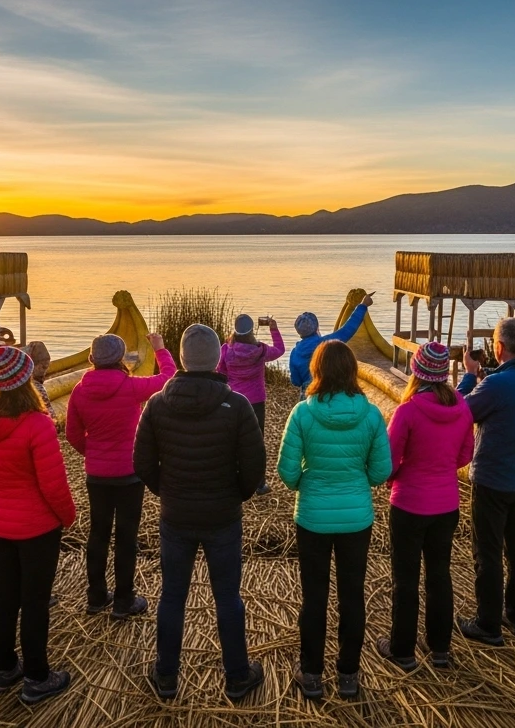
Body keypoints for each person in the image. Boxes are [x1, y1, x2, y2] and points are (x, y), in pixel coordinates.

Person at [135, 324, 266, 703]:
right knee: (228, 597)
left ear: (184, 358)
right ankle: (237, 676)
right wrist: (235, 495)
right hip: (222, 516)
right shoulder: (237, 404)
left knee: (172, 596)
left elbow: (142, 461)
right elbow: (254, 466)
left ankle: (166, 676)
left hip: (176, 516)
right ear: (215, 359)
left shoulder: (158, 403)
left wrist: (167, 490)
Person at [277, 340, 391, 700]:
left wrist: (305, 483)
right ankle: (348, 675)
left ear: (317, 370)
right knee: (352, 597)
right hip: (356, 519)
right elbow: (381, 472)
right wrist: (359, 481)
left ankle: (311, 674)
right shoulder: (371, 415)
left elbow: (287, 471)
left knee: (314, 598)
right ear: (352, 371)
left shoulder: (302, 414)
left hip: (312, 518)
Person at [0, 346, 77, 704]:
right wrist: (68, 516)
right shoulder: (37, 423)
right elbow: (53, 483)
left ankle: (3, 669)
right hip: (37, 528)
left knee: (5, 598)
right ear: (26, 378)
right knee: (34, 602)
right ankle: (37, 677)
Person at [376, 342, 474, 671]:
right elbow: (465, 456)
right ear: (444, 374)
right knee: (439, 576)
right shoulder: (461, 406)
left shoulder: (408, 411)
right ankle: (440, 649)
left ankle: (402, 650)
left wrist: (402, 475)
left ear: (416, 373)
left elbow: (388, 464)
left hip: (409, 504)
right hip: (446, 505)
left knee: (405, 580)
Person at [454, 318, 515, 646]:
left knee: (488, 552)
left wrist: (469, 377)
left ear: (498, 347)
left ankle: (488, 624)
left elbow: (462, 414)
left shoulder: (495, 386)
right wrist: (485, 377)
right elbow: (506, 392)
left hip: (493, 480)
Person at [66, 332, 175, 618]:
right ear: (120, 359)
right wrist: (160, 349)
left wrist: (93, 453)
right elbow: (169, 379)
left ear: (92, 359)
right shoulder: (130, 387)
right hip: (129, 474)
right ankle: (124, 601)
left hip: (97, 475)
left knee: (98, 534)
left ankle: (96, 596)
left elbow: (73, 434)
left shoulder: (79, 390)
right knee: (127, 537)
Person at [217, 314, 285, 494]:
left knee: (233, 439)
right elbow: (279, 349)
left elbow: (220, 372)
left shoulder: (226, 350)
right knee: (256, 442)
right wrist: (273, 328)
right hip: (256, 401)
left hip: (233, 400)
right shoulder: (260, 350)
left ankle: (234, 479)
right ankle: (259, 483)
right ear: (251, 330)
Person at [289, 292, 374, 399]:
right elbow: (348, 329)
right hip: (327, 393)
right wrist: (363, 305)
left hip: (307, 396)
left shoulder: (294, 353)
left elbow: (296, 381)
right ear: (316, 328)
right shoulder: (326, 344)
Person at [22, 341, 54, 416]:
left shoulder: (19, 382)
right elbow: (50, 415)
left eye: (46, 367)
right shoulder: (36, 388)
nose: (44, 371)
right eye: (43, 367)